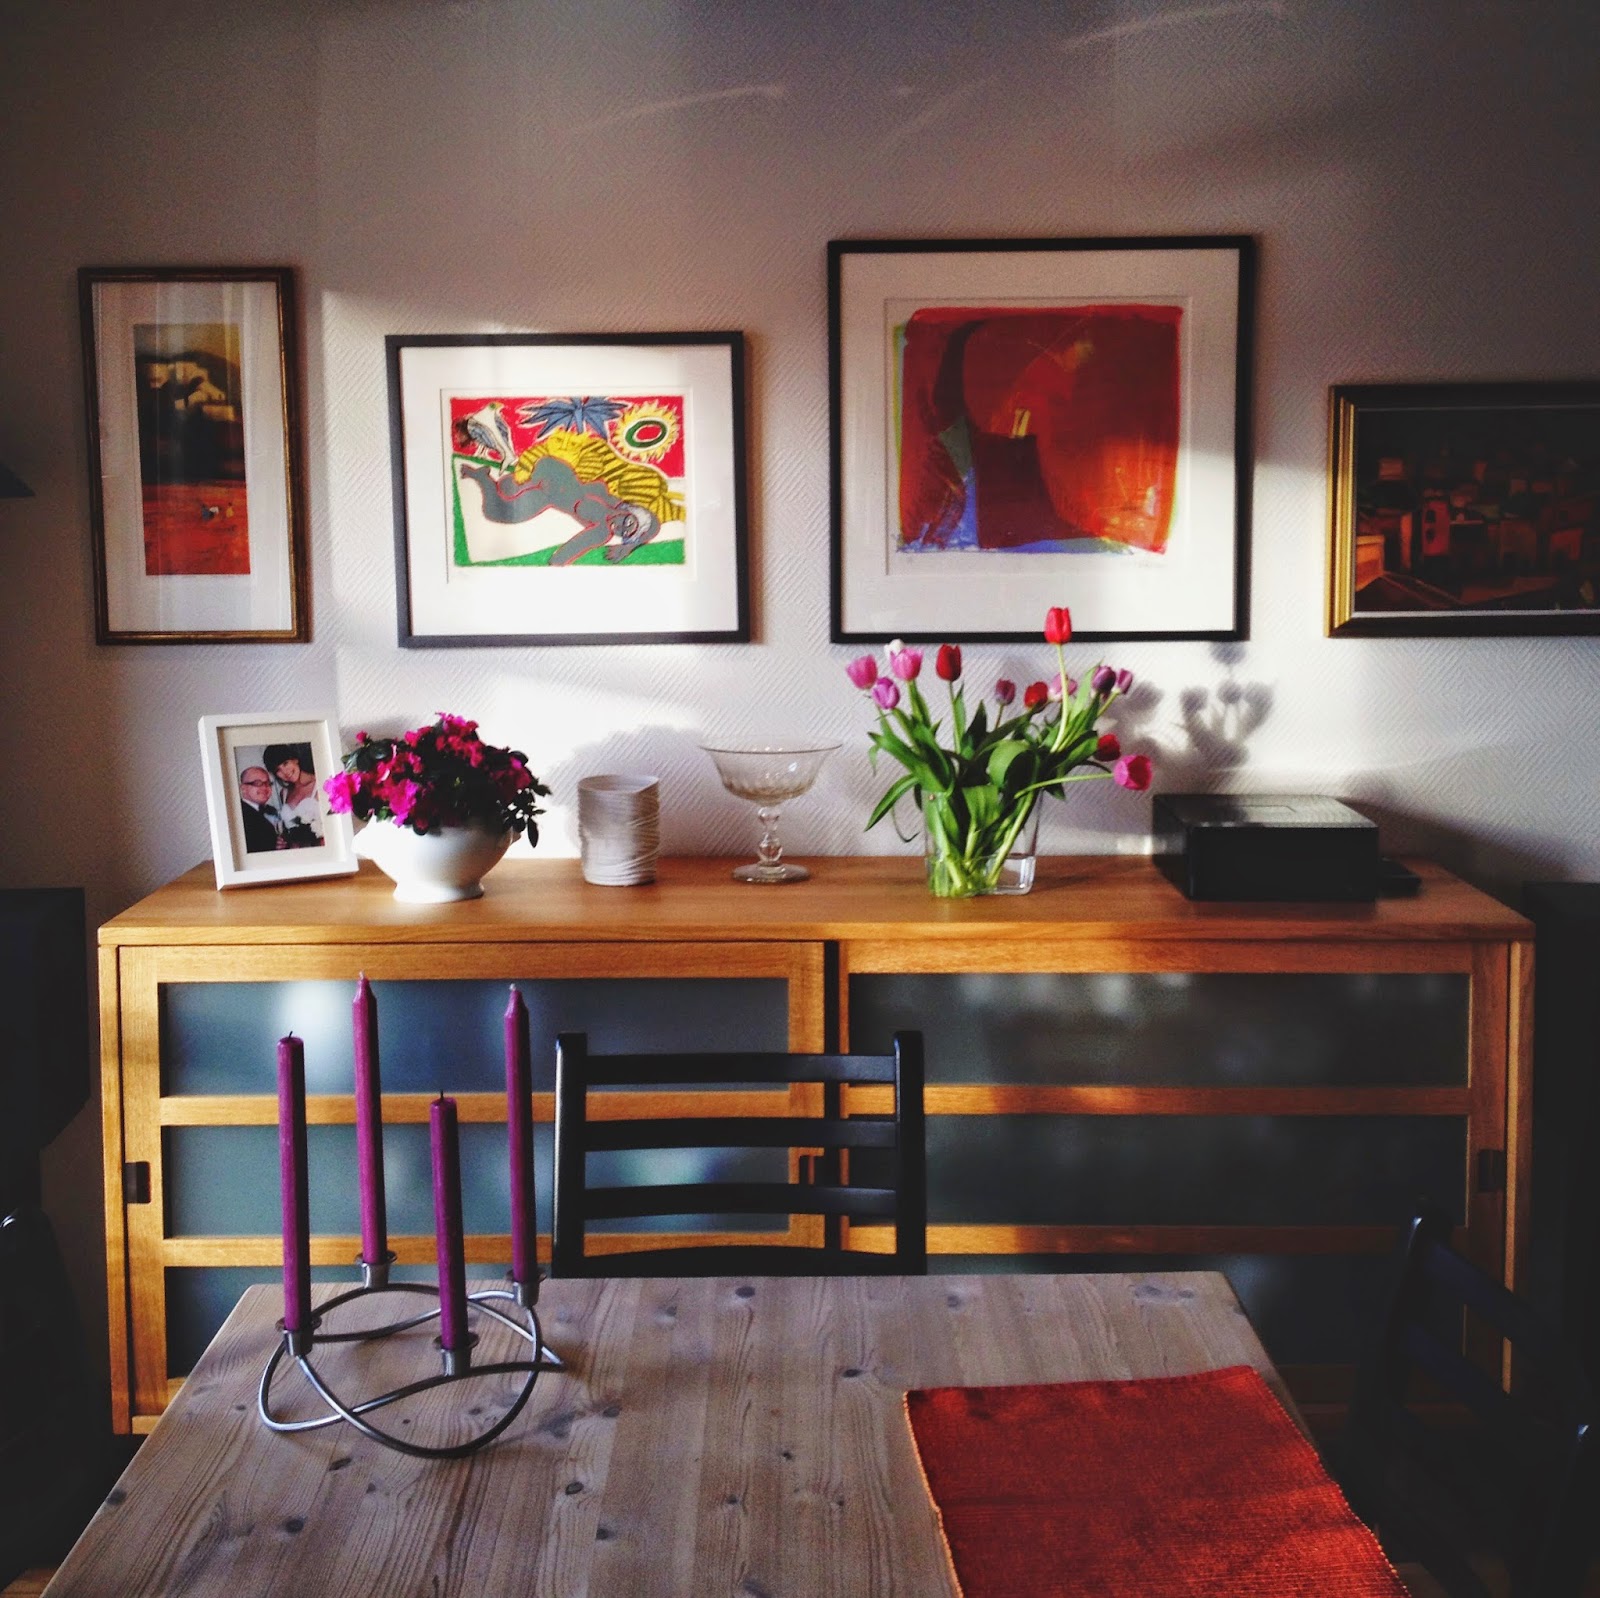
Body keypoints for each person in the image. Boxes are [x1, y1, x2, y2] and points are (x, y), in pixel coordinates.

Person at [262, 744, 323, 848]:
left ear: (295, 759)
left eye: (285, 763)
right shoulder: (284, 793)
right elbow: (288, 831)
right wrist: (282, 840)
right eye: (278, 770)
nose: (285, 772)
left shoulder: (320, 784)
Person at [238, 767, 285, 854]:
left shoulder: (270, 810)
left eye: (267, 783)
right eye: (258, 783)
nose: (264, 787)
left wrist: (277, 844)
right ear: (243, 788)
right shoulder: (238, 815)